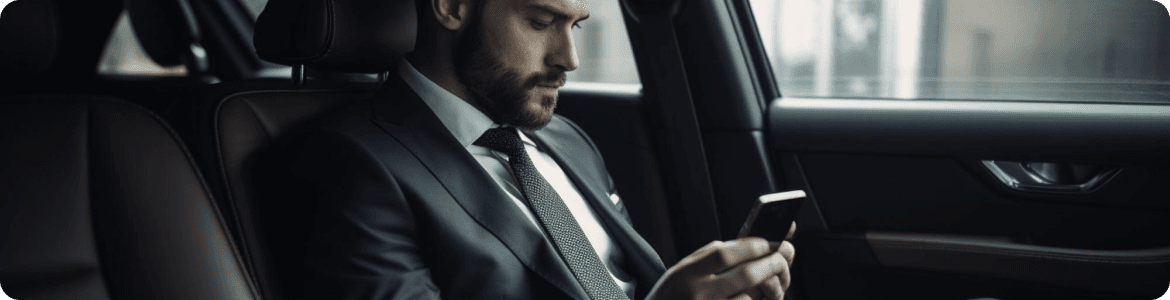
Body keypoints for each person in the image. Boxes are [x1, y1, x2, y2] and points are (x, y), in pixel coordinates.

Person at [279, 0, 797, 299]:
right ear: (452, 6)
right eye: (541, 21)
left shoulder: (568, 141)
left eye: (574, 25)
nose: (569, 59)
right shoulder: (350, 164)